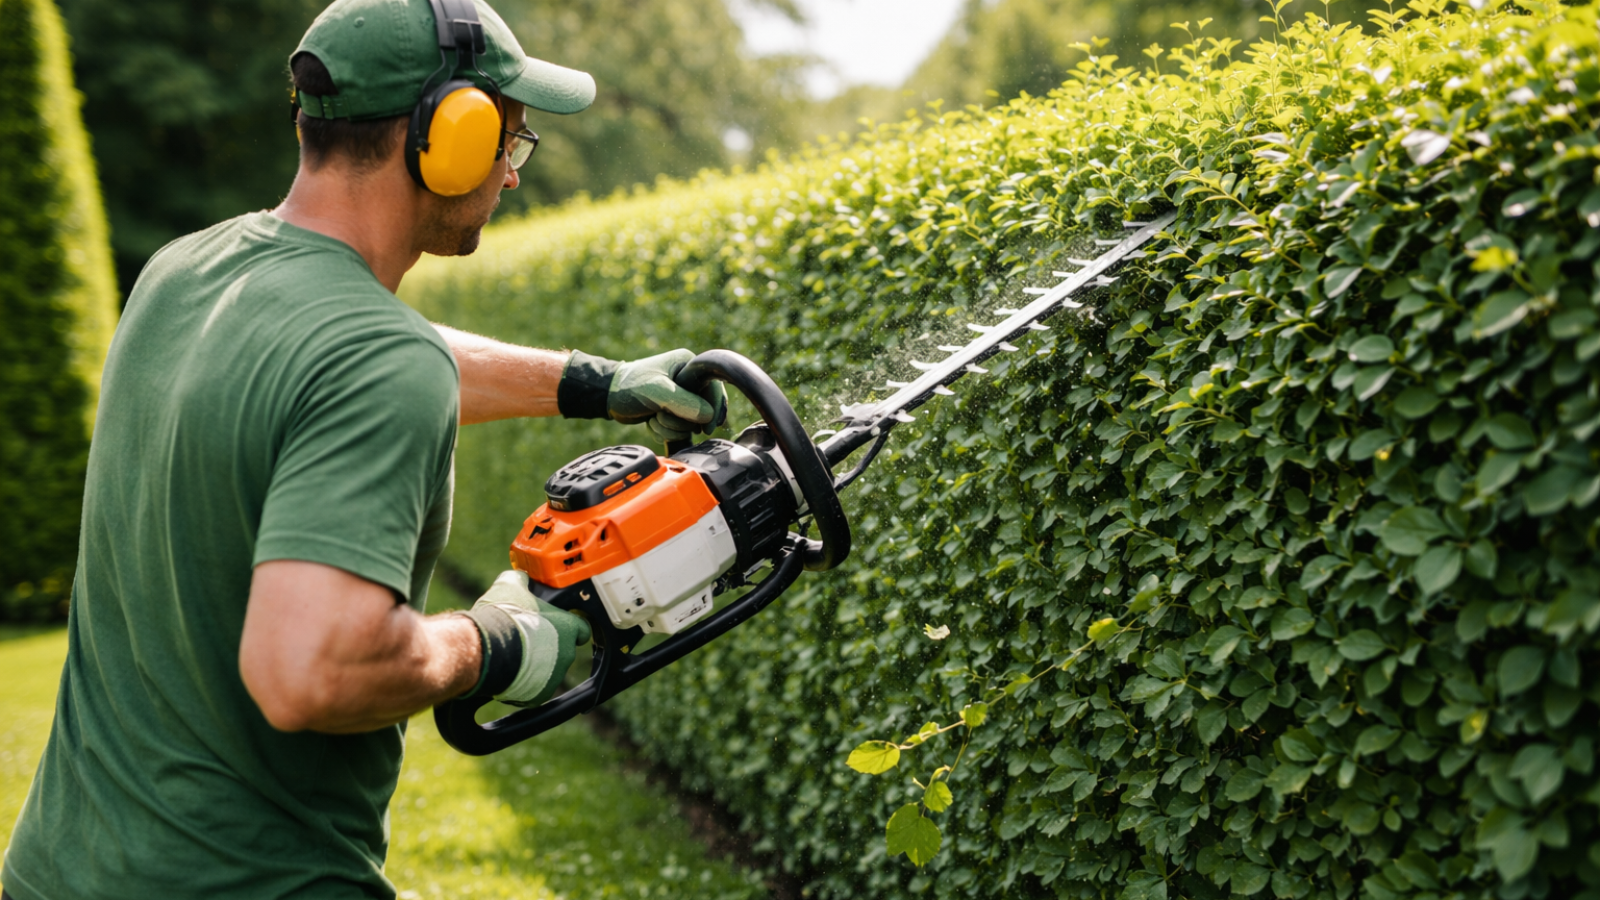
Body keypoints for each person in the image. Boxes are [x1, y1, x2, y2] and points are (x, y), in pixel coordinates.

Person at [0, 0, 726, 897]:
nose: (510, 174)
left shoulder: (185, 270)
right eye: (510, 138)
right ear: (445, 135)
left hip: (58, 869)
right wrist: (496, 641)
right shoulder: (379, 362)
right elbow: (308, 671)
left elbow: (356, 363)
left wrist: (593, 382)